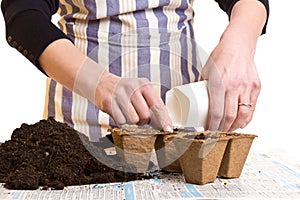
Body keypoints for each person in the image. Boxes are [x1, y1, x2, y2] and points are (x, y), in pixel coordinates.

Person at [1, 0, 269, 142]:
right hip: (83, 130)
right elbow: (24, 15)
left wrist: (240, 42)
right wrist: (100, 83)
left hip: (183, 133)